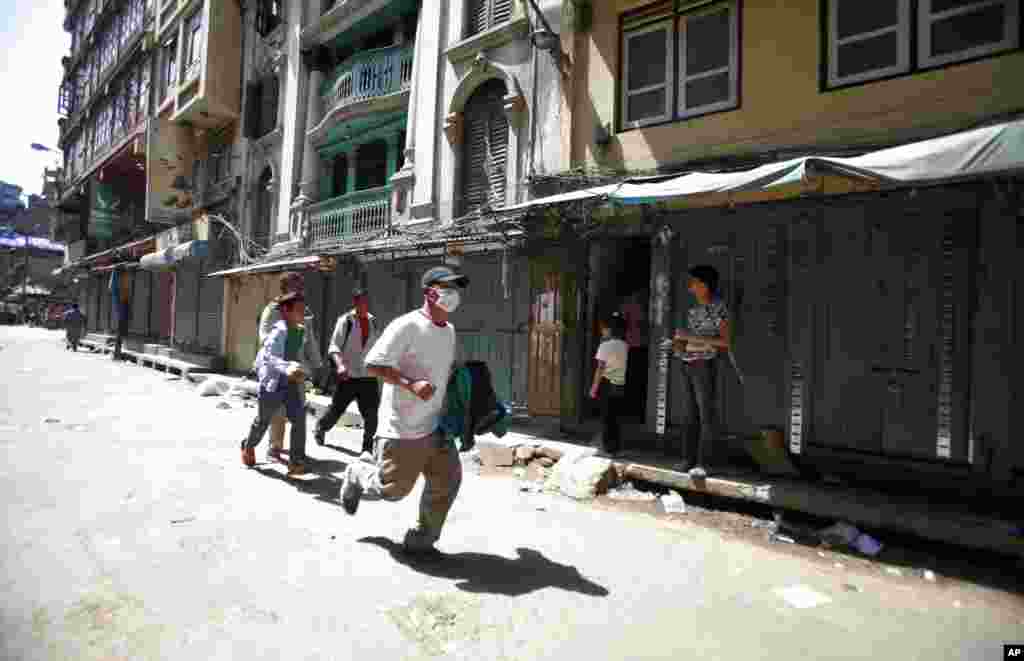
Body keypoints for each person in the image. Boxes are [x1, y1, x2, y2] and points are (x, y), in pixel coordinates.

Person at [338, 265, 469, 556]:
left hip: (436, 426)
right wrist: (410, 384)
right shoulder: (406, 325)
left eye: (456, 289)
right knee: (392, 492)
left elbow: (440, 371)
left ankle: (421, 539)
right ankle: (358, 473)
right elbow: (372, 363)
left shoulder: (448, 331)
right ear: (429, 292)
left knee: (448, 479)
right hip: (402, 428)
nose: (453, 295)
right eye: (446, 288)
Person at [241, 291, 314, 477]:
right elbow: (270, 358)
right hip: (272, 383)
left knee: (298, 419)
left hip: (291, 383)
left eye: (302, 309)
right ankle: (248, 445)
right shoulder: (278, 331)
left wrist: (304, 370)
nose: (301, 313)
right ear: (285, 311)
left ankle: (296, 461)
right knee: (263, 421)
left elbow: (297, 355)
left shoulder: (300, 330)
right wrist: (287, 368)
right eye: (298, 309)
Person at [672, 265, 731, 479]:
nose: (691, 287)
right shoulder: (692, 310)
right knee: (689, 414)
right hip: (687, 362)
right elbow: (682, 339)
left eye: (695, 283)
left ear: (705, 285)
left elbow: (724, 342)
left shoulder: (719, 308)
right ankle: (688, 459)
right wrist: (677, 346)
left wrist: (692, 339)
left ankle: (705, 463)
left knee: (706, 413)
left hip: (706, 363)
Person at [258, 272, 322, 462]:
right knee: (276, 410)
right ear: (285, 287)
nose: (300, 288)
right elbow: (265, 338)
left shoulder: (304, 309)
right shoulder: (273, 309)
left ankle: (297, 453)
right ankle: (274, 448)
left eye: (301, 285)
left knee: (297, 411)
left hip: (297, 368)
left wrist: (316, 364)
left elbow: (309, 339)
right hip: (277, 368)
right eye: (296, 285)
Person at [314, 286, 381, 462]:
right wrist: (340, 365)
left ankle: (367, 449)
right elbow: (334, 347)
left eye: (367, 301)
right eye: (361, 301)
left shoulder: (373, 321)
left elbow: (377, 347)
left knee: (372, 414)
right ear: (355, 303)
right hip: (348, 376)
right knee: (337, 410)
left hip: (368, 376)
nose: (364, 305)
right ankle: (321, 427)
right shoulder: (346, 321)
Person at [590, 313, 629, 456]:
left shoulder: (604, 346)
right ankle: (616, 449)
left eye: (604, 329)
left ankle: (606, 449)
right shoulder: (624, 345)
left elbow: (600, 368)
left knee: (606, 418)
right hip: (619, 384)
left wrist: (594, 388)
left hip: (606, 384)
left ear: (610, 330)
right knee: (615, 418)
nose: (602, 331)